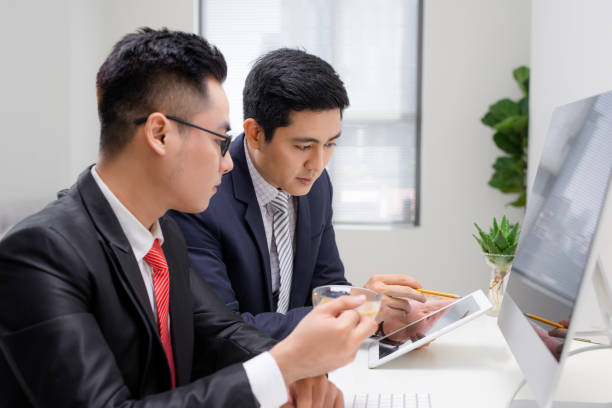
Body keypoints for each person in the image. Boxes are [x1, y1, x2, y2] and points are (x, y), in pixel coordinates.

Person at [0, 28, 377, 407]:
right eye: (218, 140)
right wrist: (280, 368)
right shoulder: (39, 253)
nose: (229, 162)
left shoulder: (162, 237)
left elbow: (223, 333)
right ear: (160, 134)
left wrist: (296, 375)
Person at [170, 48, 428, 340]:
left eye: (330, 144)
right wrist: (359, 308)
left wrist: (381, 323)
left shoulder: (316, 185)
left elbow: (326, 288)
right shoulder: (202, 195)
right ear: (255, 133)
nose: (318, 165)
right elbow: (224, 330)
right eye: (303, 147)